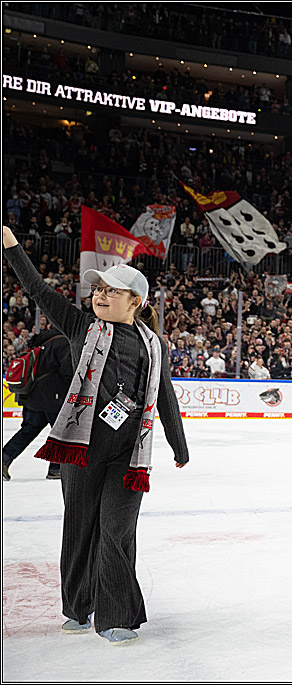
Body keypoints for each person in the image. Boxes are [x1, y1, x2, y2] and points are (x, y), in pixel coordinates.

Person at [2, 224, 189, 646]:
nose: (100, 296)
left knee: (116, 532)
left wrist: (179, 444)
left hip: (128, 455)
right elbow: (37, 289)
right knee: (80, 528)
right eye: (98, 290)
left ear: (135, 302)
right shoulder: (81, 326)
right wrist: (12, 245)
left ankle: (118, 615)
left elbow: (165, 397)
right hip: (81, 452)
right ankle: (78, 605)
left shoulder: (154, 344)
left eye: (111, 291)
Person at [3, 330, 73, 481]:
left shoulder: (40, 341)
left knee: (29, 429)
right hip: (53, 396)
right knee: (61, 432)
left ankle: (4, 458)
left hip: (31, 394)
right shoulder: (63, 342)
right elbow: (67, 372)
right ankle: (56, 468)